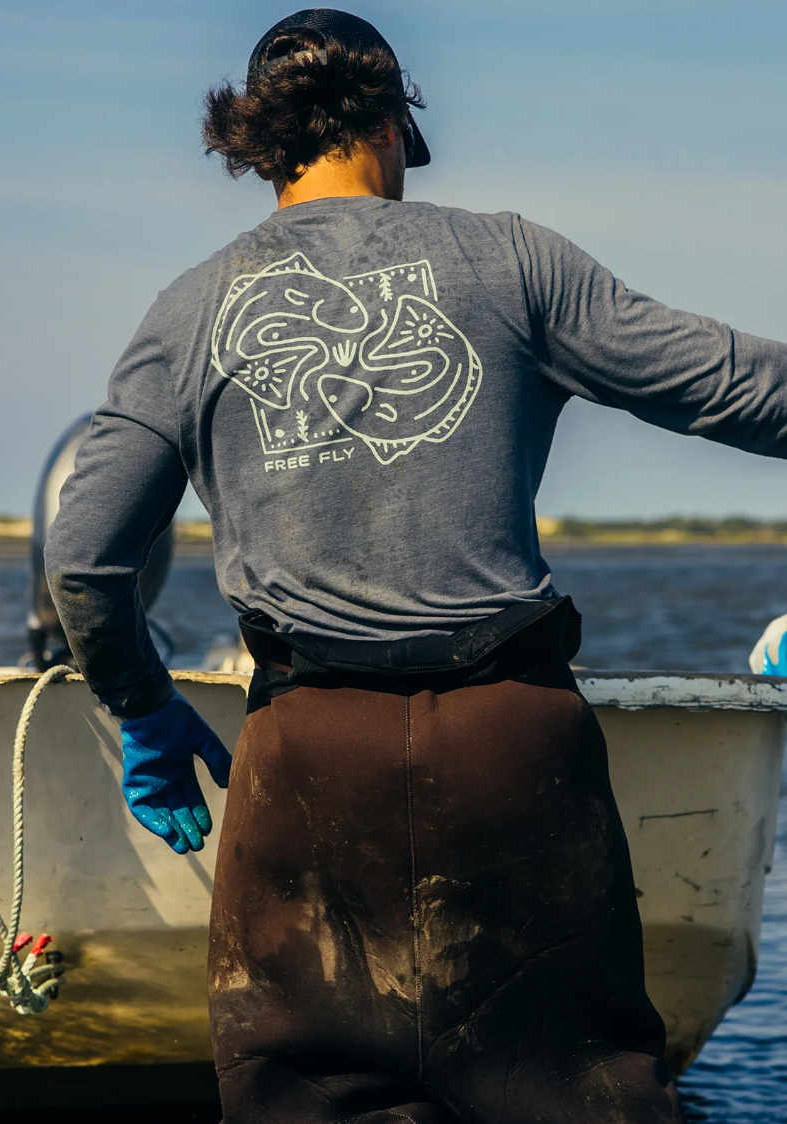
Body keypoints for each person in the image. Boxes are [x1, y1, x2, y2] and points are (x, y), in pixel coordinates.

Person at [45, 8, 787, 1122]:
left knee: (311, 1100)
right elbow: (748, 391)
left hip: (303, 763)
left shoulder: (189, 309)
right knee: (583, 1091)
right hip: (512, 749)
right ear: (390, 126)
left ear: (258, 148)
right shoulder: (512, 258)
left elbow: (84, 557)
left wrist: (144, 711)